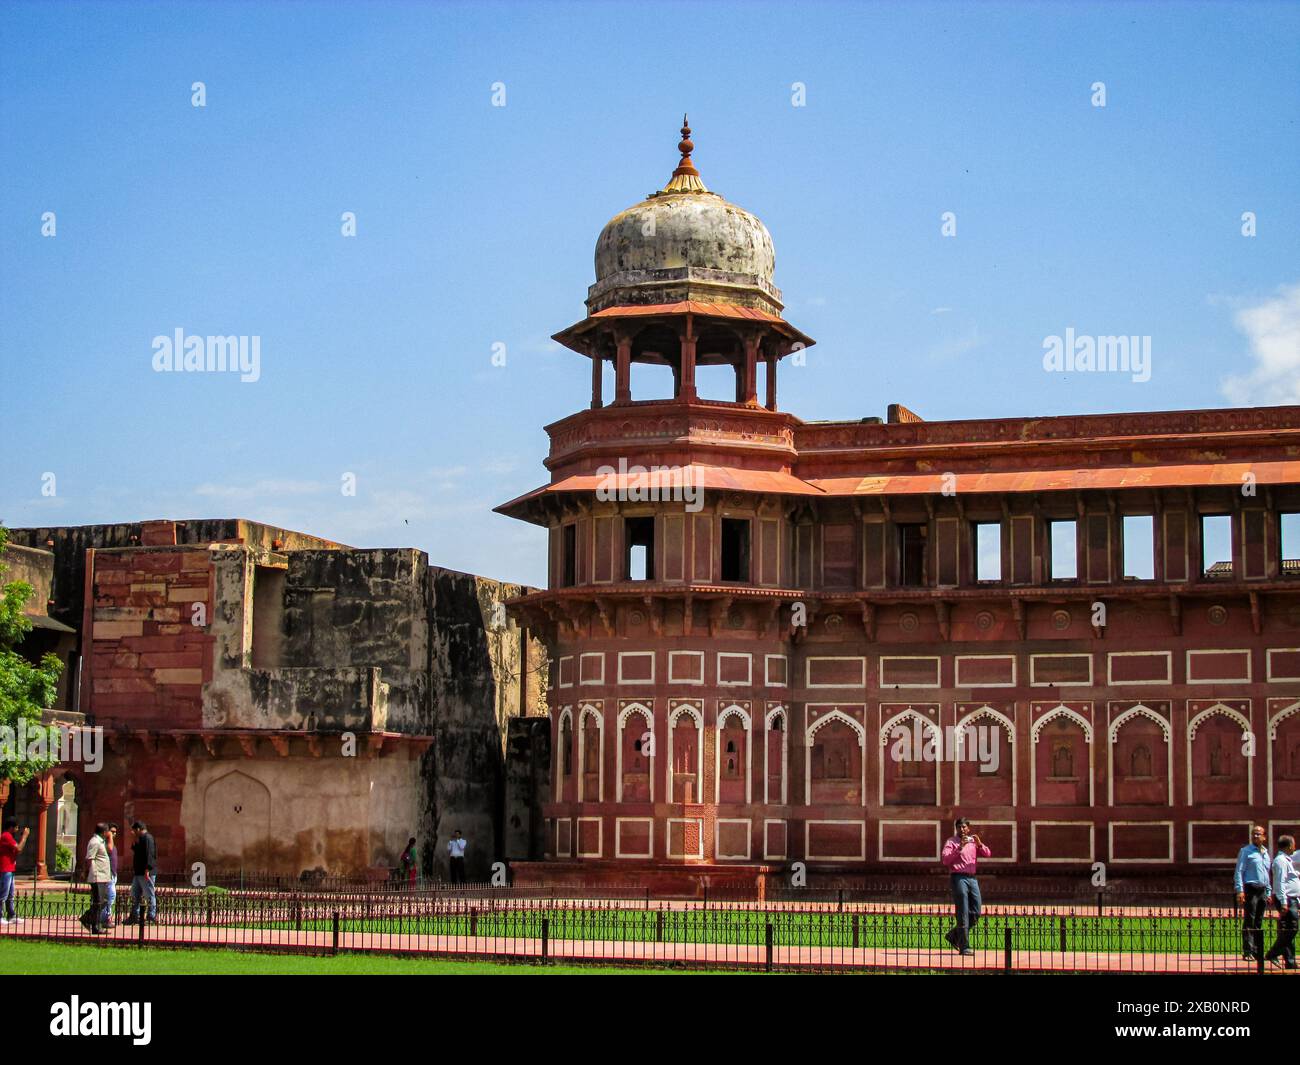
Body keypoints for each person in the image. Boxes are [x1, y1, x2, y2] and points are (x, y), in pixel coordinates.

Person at [940, 817, 990, 956]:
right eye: (959, 827)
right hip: (958, 877)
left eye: (964, 827)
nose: (962, 830)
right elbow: (945, 859)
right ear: (956, 829)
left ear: (968, 828)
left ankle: (953, 935)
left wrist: (979, 844)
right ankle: (964, 946)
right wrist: (960, 847)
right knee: (962, 911)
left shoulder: (973, 841)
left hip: (972, 879)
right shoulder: (951, 842)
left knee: (976, 911)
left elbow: (987, 854)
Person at [1233, 824, 1271, 962]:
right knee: (1250, 920)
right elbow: (1239, 871)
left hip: (1262, 890)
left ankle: (1256, 950)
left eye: (1258, 834)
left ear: (1264, 837)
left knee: (1259, 921)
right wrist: (1240, 890)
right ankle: (1248, 951)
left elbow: (1267, 874)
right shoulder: (1246, 851)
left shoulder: (1266, 853)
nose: (1255, 836)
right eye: (1254, 834)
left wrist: (1269, 891)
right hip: (1251, 889)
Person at [1265, 835, 1300, 970]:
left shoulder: (1286, 860)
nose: (1295, 847)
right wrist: (1284, 902)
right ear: (1289, 846)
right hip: (1287, 899)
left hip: (1292, 899)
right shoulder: (1280, 861)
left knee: (1288, 930)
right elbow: (1279, 882)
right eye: (1294, 845)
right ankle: (1272, 953)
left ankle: (1290, 961)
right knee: (1292, 929)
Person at [123, 820, 157, 924]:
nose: (132, 832)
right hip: (138, 872)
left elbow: (150, 854)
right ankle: (134, 915)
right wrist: (134, 838)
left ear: (138, 829)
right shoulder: (140, 838)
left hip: (146, 872)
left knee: (149, 894)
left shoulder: (147, 838)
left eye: (133, 830)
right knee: (135, 894)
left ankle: (151, 916)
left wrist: (147, 869)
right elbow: (135, 849)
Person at [80, 823, 111, 935]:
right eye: (108, 831)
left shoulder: (100, 842)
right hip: (97, 876)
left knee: (103, 901)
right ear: (104, 832)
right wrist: (93, 874)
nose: (109, 834)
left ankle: (87, 919)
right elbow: (89, 858)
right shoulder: (94, 842)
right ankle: (95, 926)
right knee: (98, 902)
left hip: (103, 876)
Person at [0, 818, 30, 925]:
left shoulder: (9, 837)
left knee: (10, 894)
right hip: (5, 869)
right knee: (3, 894)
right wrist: (24, 837)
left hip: (10, 869)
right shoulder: (6, 836)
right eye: (16, 827)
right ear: (11, 827)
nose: (17, 829)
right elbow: (19, 849)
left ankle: (11, 915)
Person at [101, 823, 119, 929]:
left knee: (109, 898)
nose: (114, 834)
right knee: (110, 897)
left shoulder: (111, 844)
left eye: (115, 832)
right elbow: (110, 850)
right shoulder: (104, 844)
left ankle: (104, 918)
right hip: (107, 875)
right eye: (112, 832)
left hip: (112, 874)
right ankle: (105, 918)